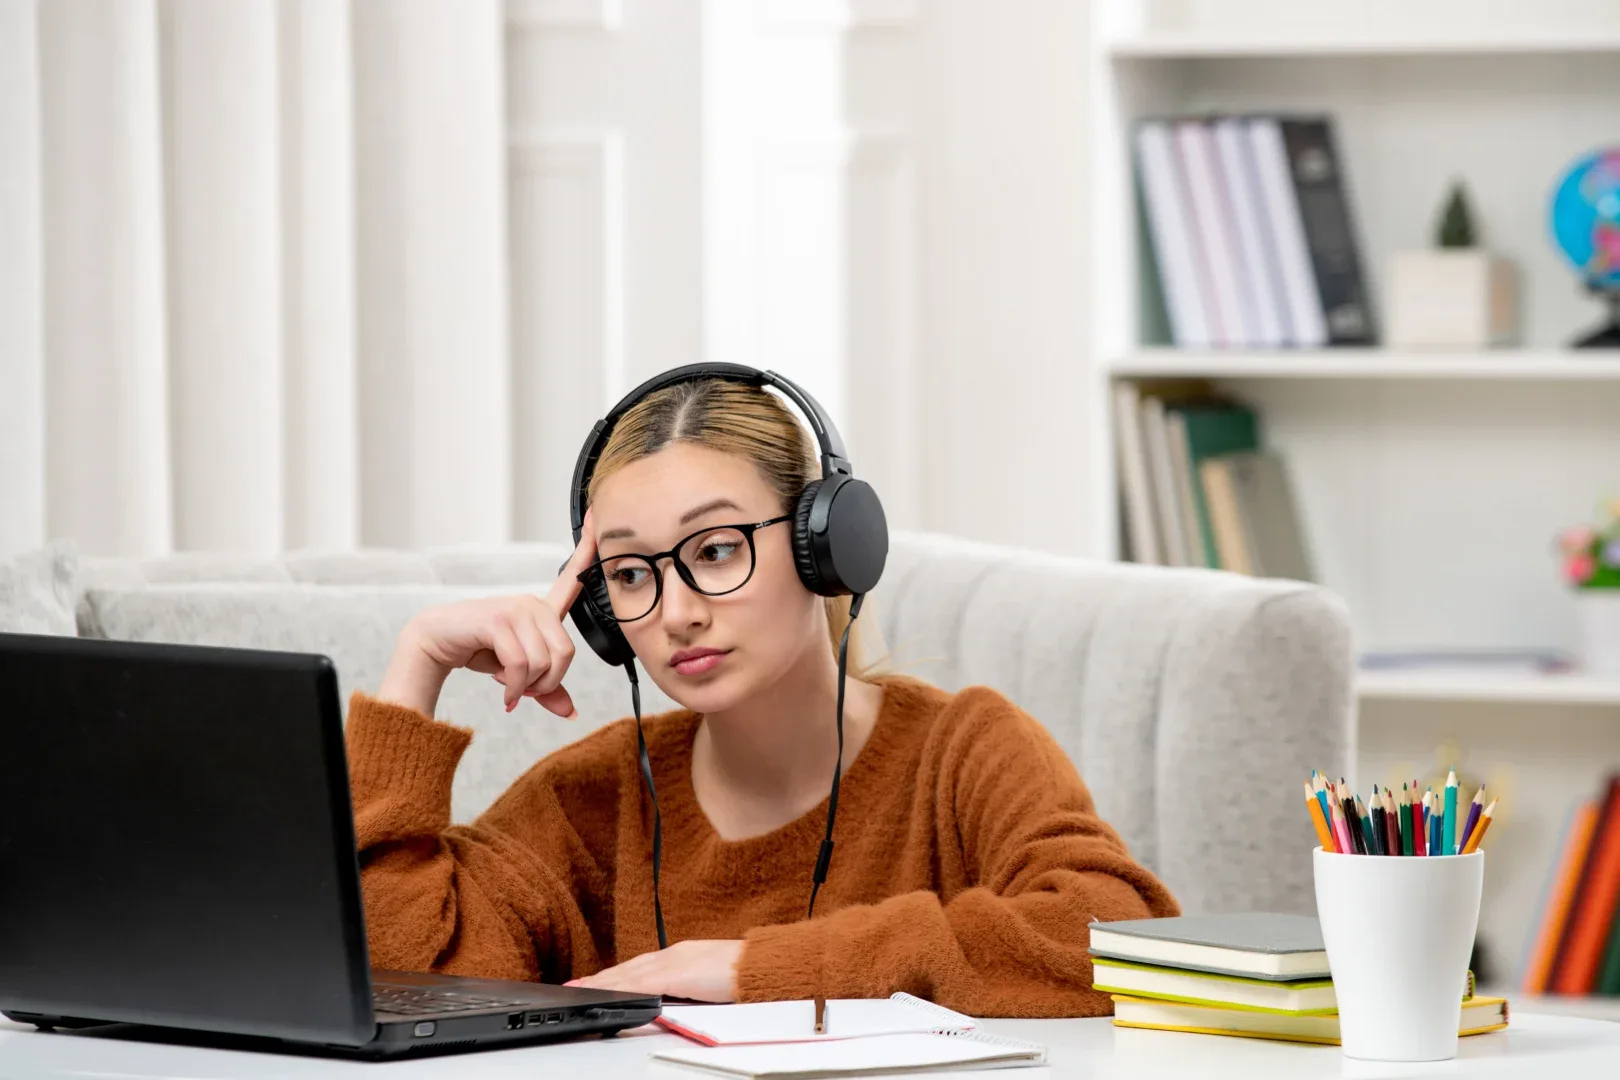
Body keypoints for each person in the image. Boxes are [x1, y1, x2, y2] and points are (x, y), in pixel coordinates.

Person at [346, 376, 1178, 1017]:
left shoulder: (965, 753)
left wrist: (756, 970)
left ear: (828, 546)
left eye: (714, 551)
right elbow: (406, 981)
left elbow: (1119, 937)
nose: (676, 613)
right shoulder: (589, 802)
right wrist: (416, 669)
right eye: (631, 574)